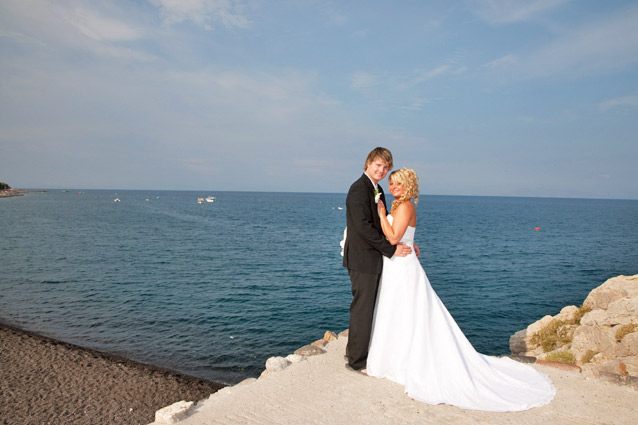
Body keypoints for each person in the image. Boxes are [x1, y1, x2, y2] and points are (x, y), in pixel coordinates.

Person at [366, 168, 556, 412]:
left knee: (408, 311)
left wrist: (381, 214)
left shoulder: (403, 207)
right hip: (397, 265)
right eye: (391, 183)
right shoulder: (400, 206)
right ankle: (397, 357)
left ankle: (407, 360)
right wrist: (411, 242)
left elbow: (392, 238)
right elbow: (404, 235)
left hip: (402, 267)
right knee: (401, 311)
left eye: (398, 184)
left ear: (408, 186)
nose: (393, 187)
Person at [342, 147, 412, 373]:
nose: (381, 170)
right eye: (378, 165)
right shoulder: (358, 190)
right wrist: (390, 250)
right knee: (363, 309)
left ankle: (357, 352)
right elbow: (362, 228)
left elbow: (382, 225)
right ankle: (357, 362)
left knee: (370, 308)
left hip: (373, 258)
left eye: (385, 167)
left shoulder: (377, 189)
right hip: (362, 260)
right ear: (368, 163)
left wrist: (406, 242)